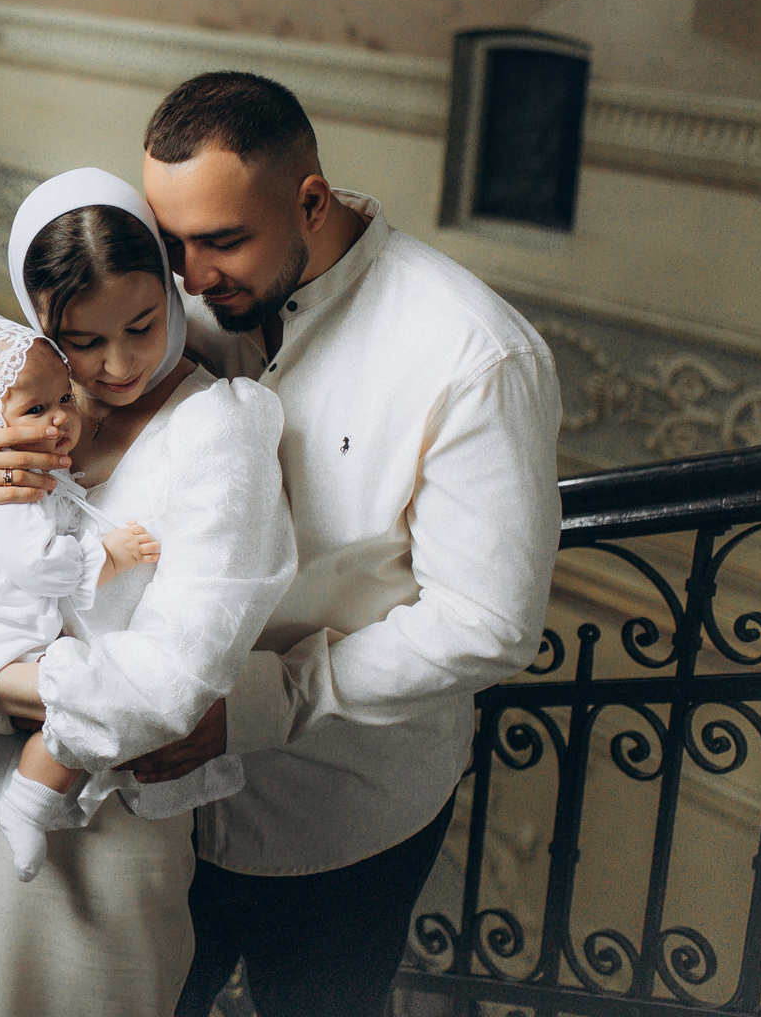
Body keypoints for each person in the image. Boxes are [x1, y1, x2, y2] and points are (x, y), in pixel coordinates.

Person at [121, 72, 561, 1017]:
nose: (191, 278)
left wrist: (264, 702)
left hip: (345, 818)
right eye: (172, 241)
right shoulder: (177, 297)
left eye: (223, 241)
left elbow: (486, 624)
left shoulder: (475, 354)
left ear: (311, 202)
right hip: (159, 811)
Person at [0, 168, 297, 1017]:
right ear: (39, 321)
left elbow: (169, 682)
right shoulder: (8, 414)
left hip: (106, 821)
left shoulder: (217, 430)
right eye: (82, 341)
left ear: (170, 289)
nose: (117, 365)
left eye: (143, 325)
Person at [0, 310, 167, 894]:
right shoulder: (11, 490)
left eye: (64, 398)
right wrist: (106, 557)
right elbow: (35, 565)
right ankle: (27, 806)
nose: (61, 418)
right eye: (36, 409)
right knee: (77, 710)